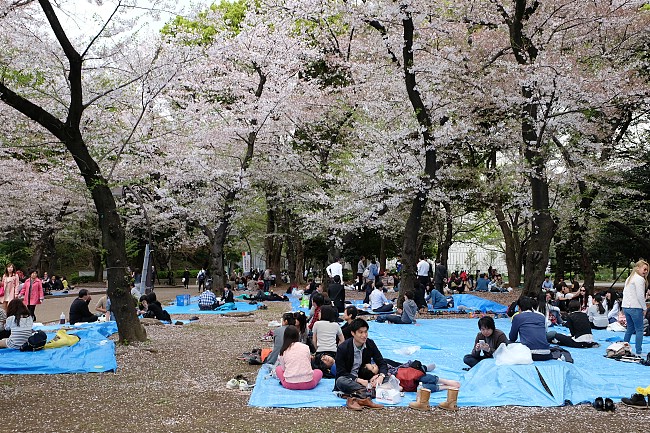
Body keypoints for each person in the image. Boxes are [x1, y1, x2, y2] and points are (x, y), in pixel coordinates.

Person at [334, 318, 387, 410]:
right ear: (353, 333)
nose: (364, 335)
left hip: (366, 378)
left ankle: (359, 395)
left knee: (388, 377)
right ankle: (368, 394)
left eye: (366, 332)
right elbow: (341, 372)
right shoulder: (343, 348)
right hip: (351, 379)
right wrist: (358, 380)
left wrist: (380, 376)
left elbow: (381, 362)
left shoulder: (370, 343)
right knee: (340, 381)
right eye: (360, 332)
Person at [509, 296, 553, 361]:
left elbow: (512, 337)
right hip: (546, 353)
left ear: (519, 307)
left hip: (529, 354)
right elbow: (545, 332)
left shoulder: (518, 317)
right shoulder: (541, 316)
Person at [622, 259, 648, 356]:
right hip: (635, 307)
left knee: (630, 329)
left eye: (646, 270)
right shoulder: (640, 279)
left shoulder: (629, 278)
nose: (645, 272)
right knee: (639, 330)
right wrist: (644, 308)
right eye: (644, 269)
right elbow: (640, 295)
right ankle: (638, 351)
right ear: (638, 268)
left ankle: (623, 348)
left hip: (626, 306)